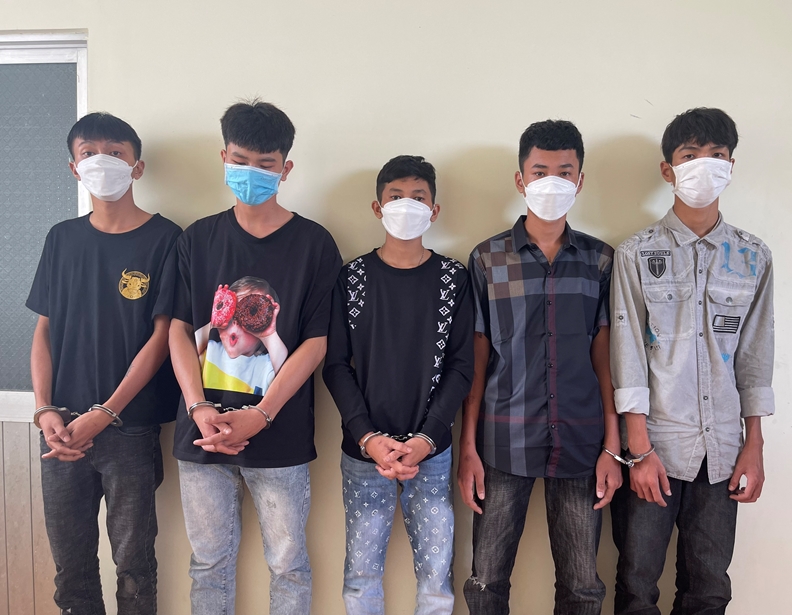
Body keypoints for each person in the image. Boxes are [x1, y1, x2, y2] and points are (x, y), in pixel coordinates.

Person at [169, 99, 341, 615]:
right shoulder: (197, 239)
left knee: (288, 564)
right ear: (224, 158)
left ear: (286, 168)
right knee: (207, 564)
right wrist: (199, 406)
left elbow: (316, 342)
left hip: (279, 433)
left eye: (266, 164)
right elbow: (178, 329)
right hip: (201, 431)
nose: (251, 172)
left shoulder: (314, 243)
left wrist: (262, 414)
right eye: (241, 160)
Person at [609, 107, 774, 615]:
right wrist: (639, 450)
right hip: (655, 448)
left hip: (722, 451)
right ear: (668, 169)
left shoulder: (753, 256)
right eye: (690, 155)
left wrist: (753, 446)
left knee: (709, 588)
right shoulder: (636, 254)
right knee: (637, 586)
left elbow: (755, 356)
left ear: (730, 165)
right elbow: (627, 353)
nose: (704, 164)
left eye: (716, 154)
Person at [458, 120, 622, 615]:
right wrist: (468, 447)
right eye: (540, 171)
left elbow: (606, 358)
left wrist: (613, 445)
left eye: (564, 172)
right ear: (520, 179)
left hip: (581, 442)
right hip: (502, 442)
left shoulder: (600, 260)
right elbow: (477, 358)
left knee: (583, 586)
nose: (552, 181)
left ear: (580, 180)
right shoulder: (487, 259)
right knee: (486, 582)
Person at [27, 111, 181, 614]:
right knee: (70, 570)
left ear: (137, 166)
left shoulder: (166, 239)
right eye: (89, 152)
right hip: (61, 429)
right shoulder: (61, 238)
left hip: (130, 429)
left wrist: (107, 411)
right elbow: (44, 330)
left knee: (135, 568)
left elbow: (162, 336)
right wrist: (44, 409)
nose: (102, 161)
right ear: (74, 167)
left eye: (115, 153)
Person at [323, 155, 474, 615]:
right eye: (395, 196)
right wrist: (367, 436)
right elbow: (335, 365)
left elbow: (461, 366)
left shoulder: (454, 279)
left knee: (436, 580)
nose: (406, 205)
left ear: (434, 210)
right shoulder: (351, 278)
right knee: (361, 575)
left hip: (432, 451)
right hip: (364, 451)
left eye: (418, 197)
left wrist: (427, 438)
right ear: (377, 207)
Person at [198, 277, 288, 396]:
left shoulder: (264, 366)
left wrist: (269, 335)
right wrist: (214, 322)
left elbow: (287, 377)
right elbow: (187, 350)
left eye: (249, 314)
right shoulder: (211, 352)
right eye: (230, 315)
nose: (235, 322)